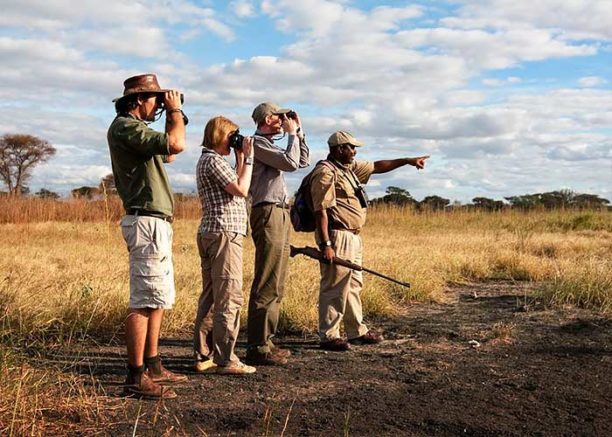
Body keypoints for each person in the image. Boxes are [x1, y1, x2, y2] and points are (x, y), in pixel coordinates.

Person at [310, 131, 429, 351]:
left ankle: (356, 331)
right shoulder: (326, 172)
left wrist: (407, 161)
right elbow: (321, 210)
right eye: (351, 148)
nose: (354, 152)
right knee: (335, 286)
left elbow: (377, 166)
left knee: (354, 285)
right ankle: (328, 335)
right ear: (338, 149)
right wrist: (326, 244)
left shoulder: (349, 169)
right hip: (338, 235)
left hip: (354, 236)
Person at [108, 73, 187, 399]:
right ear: (138, 100)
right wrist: (174, 113)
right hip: (145, 223)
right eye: (155, 98)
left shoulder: (139, 132)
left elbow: (168, 153)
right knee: (143, 300)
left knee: (157, 297)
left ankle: (152, 364)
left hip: (155, 223)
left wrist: (173, 115)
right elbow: (177, 144)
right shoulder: (126, 127)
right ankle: (135, 376)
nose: (159, 103)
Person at [245, 102, 310, 366]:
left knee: (278, 280)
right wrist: (292, 135)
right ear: (267, 119)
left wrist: (300, 133)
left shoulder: (269, 144)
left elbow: (302, 160)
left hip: (280, 211)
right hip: (267, 211)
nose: (284, 120)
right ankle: (257, 346)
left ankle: (266, 341)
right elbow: (291, 163)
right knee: (267, 279)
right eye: (279, 116)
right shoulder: (257, 143)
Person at [193, 116, 257, 375]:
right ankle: (227, 358)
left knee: (210, 296)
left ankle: (204, 354)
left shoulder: (211, 160)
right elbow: (241, 189)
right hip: (224, 234)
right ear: (221, 135)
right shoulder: (212, 160)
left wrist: (241, 158)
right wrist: (250, 157)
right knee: (230, 296)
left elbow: (236, 183)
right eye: (233, 135)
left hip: (212, 232)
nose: (236, 140)